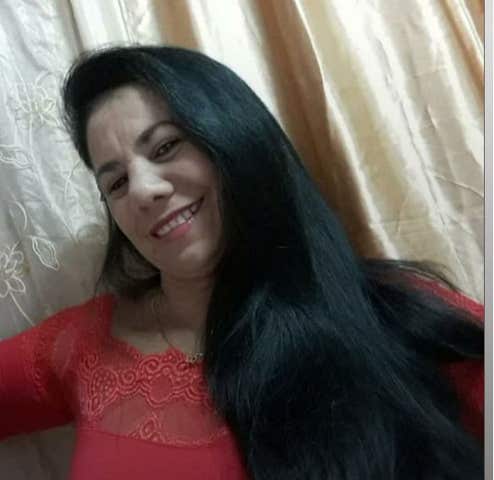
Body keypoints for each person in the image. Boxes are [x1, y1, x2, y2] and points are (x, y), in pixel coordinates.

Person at [0, 45, 484, 480]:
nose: (144, 190)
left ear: (235, 139)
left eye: (165, 147)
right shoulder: (84, 344)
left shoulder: (395, 315)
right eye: (117, 182)